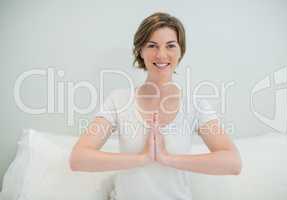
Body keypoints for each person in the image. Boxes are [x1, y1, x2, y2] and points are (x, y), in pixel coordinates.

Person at [69, 12, 242, 200]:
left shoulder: (195, 105)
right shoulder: (119, 100)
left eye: (170, 46)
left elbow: (232, 163)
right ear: (140, 51)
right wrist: (142, 158)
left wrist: (167, 158)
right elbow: (78, 159)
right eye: (152, 46)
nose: (161, 55)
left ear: (180, 51)